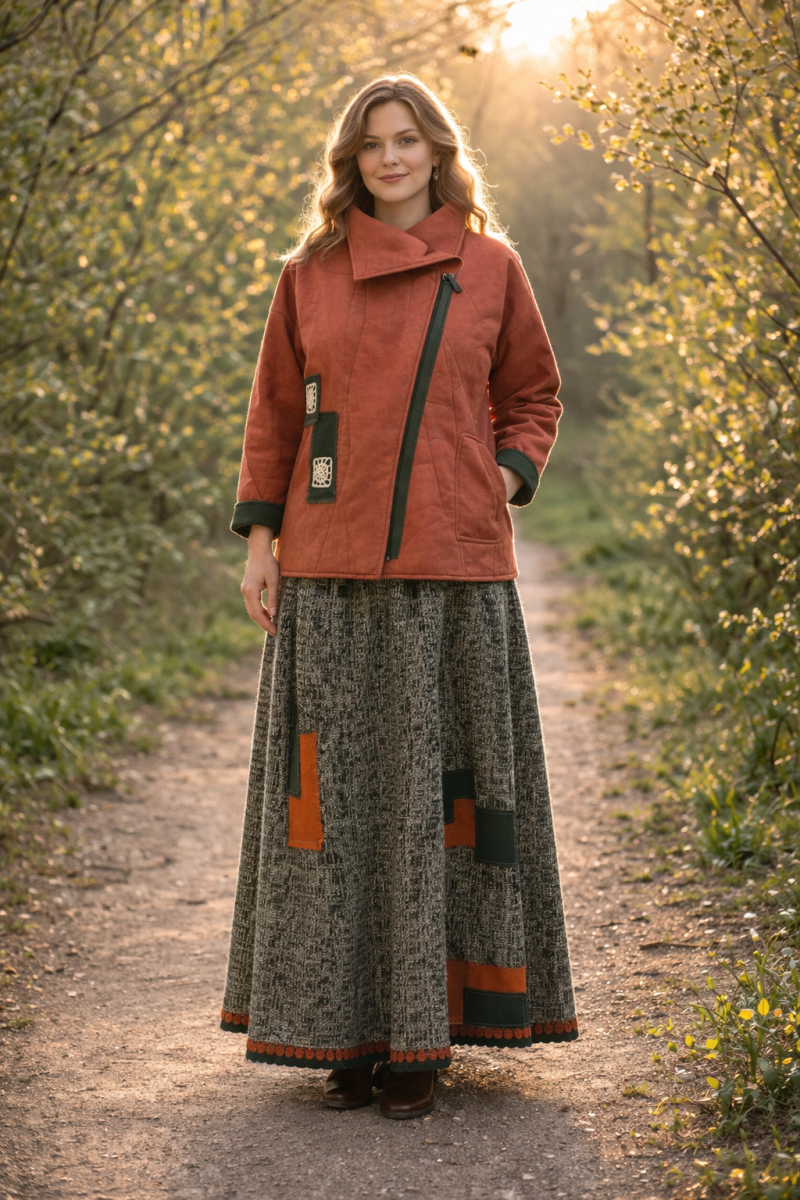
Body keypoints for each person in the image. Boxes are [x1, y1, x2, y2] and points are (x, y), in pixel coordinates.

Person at [220, 74, 577, 1120]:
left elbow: (533, 392)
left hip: (452, 577)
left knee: (437, 803)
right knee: (332, 811)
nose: (389, 158)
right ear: (351, 160)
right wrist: (261, 543)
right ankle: (346, 1032)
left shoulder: (490, 266)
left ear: (437, 152)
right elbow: (274, 416)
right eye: (371, 143)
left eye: (407, 139)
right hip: (328, 574)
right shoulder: (309, 274)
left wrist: (500, 475)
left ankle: (422, 1041)